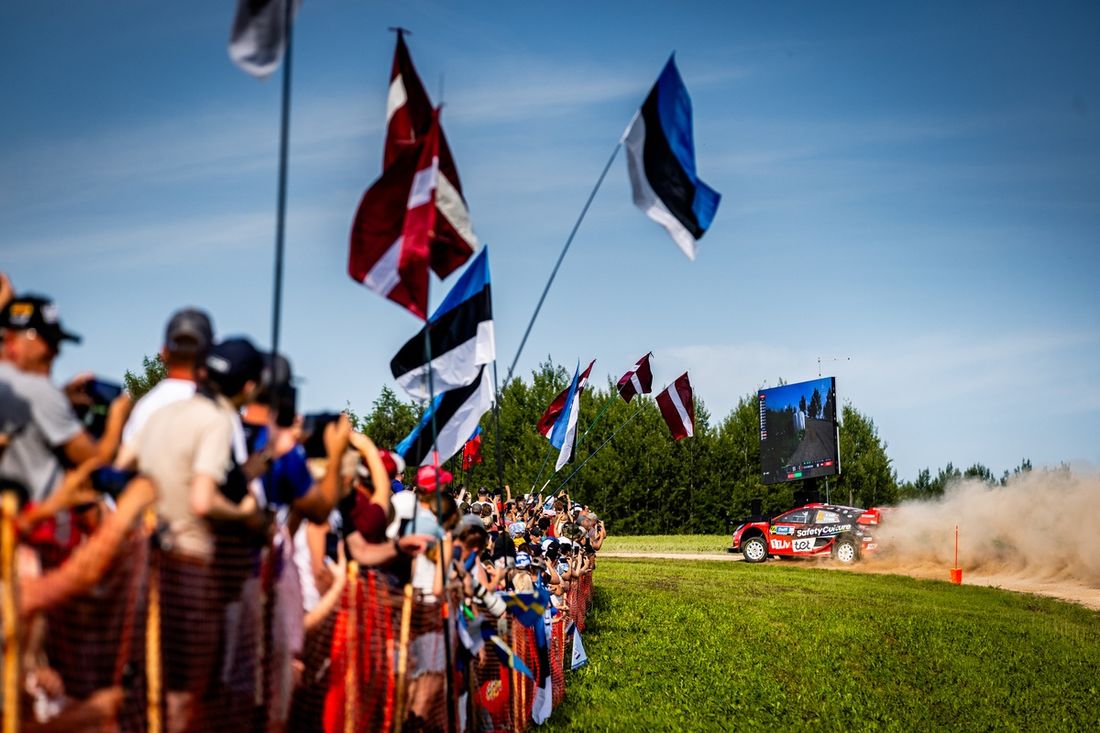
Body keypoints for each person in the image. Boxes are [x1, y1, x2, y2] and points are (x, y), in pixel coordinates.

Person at [133, 336, 270, 733]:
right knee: (187, 693)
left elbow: (125, 466)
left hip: (146, 562)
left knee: (152, 685)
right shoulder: (217, 420)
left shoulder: (159, 411)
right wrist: (245, 513)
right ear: (249, 387)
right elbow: (203, 499)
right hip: (190, 565)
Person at [0, 295, 131, 505]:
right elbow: (97, 459)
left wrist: (62, 398)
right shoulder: (39, 390)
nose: (56, 352)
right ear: (14, 339)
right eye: (49, 342)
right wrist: (118, 414)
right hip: (34, 522)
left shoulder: (13, 387)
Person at [115, 307, 214, 468]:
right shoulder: (217, 409)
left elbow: (124, 464)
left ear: (164, 353)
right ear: (209, 355)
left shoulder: (145, 406)